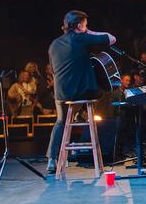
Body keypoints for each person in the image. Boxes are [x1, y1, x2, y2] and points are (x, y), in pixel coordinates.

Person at [46, 10, 116, 176]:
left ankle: (51, 158)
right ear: (79, 25)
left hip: (61, 94)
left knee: (61, 121)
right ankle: (82, 112)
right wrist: (89, 33)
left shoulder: (54, 44)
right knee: (106, 86)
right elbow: (112, 39)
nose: (87, 27)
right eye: (85, 24)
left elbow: (54, 70)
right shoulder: (82, 37)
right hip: (81, 92)